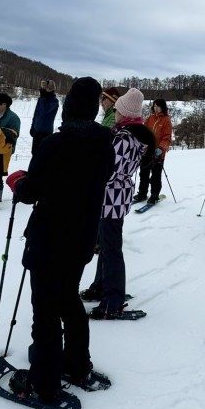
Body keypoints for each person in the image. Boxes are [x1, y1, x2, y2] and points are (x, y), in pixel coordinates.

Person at [3, 77, 115, 405]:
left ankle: (44, 385)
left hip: (49, 240)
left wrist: (19, 182)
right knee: (68, 301)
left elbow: (31, 190)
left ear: (67, 107)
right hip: (81, 240)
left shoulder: (54, 144)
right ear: (94, 107)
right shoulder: (103, 144)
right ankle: (77, 367)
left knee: (46, 313)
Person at [80, 88, 155, 318]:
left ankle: (113, 300)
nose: (116, 113)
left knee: (111, 248)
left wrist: (91, 176)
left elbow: (111, 171)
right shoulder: (126, 133)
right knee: (105, 243)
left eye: (119, 109)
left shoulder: (124, 138)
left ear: (125, 112)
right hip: (113, 197)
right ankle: (101, 286)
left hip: (111, 197)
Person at [134, 98, 173, 204]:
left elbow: (167, 137)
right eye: (154, 106)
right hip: (147, 151)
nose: (156, 108)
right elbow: (144, 131)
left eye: (158, 106)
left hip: (158, 153)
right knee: (144, 173)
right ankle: (142, 193)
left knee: (155, 175)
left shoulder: (166, 120)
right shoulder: (150, 118)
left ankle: (154, 195)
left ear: (163, 107)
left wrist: (160, 149)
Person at [29, 80, 59, 155]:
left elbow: (44, 112)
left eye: (43, 89)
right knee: (34, 153)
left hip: (46, 132)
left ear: (49, 90)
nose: (41, 91)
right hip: (37, 131)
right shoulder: (41, 99)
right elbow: (36, 114)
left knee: (43, 154)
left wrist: (43, 98)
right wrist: (33, 126)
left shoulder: (54, 101)